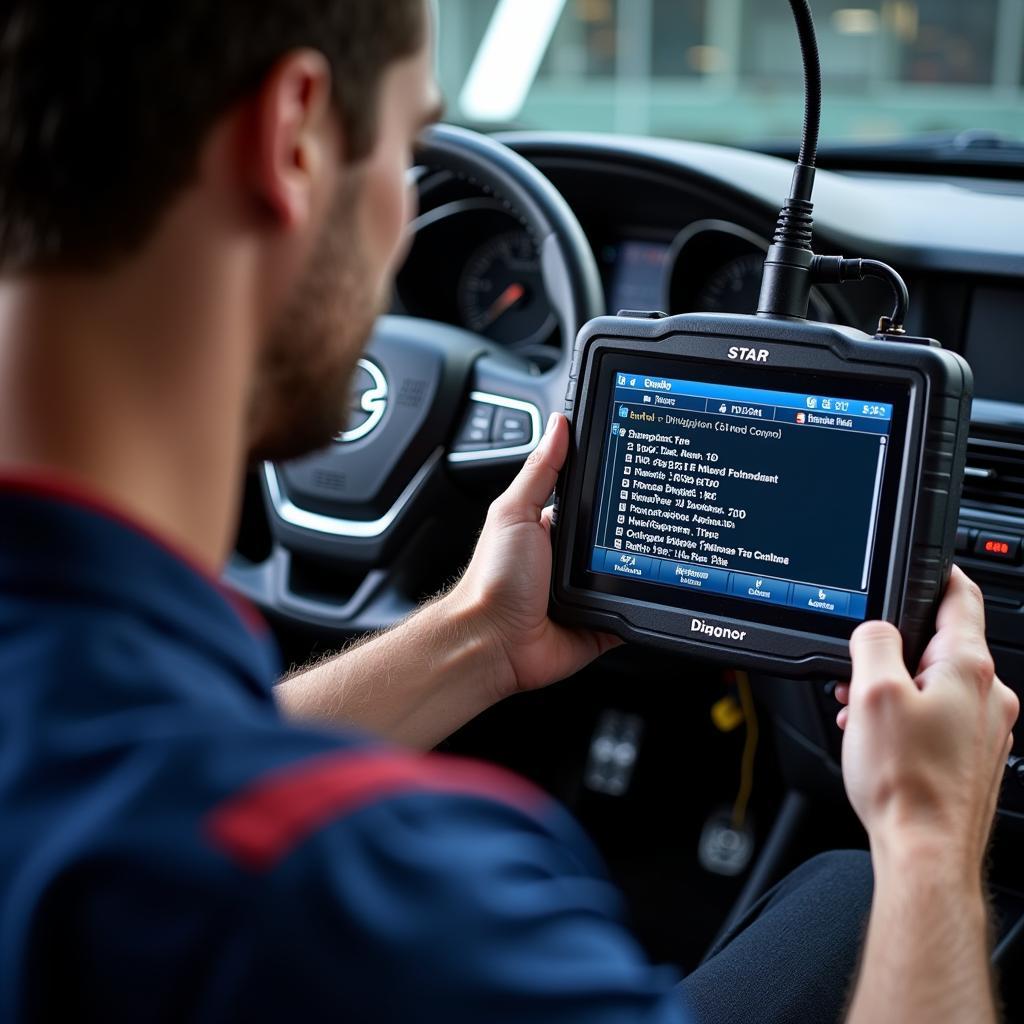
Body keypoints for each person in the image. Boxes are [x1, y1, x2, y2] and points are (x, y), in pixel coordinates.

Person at [0, 2, 1015, 1022]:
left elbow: (144, 760)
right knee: (859, 888)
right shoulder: (388, 906)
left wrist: (474, 638)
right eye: (406, 148)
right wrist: (929, 834)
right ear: (294, 139)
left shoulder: (83, 737)